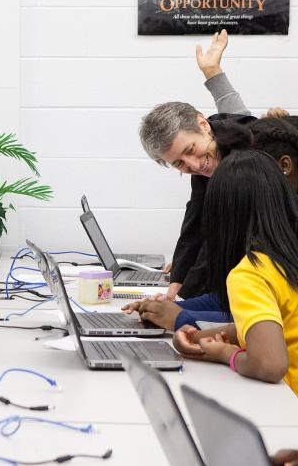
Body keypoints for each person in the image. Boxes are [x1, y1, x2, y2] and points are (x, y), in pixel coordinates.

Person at [124, 118, 298, 330]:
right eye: (179, 163)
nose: (195, 166)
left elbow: (262, 328)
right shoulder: (262, 258)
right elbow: (229, 302)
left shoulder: (264, 263)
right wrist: (167, 308)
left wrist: (181, 318)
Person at [138, 29, 255, 300]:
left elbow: (217, 237)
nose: (193, 165)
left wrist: (181, 300)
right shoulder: (211, 149)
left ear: (204, 125)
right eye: (179, 163)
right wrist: (177, 278)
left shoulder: (244, 158)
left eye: (190, 150)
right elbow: (195, 222)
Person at [171, 150, 298, 396]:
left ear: (221, 218)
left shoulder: (250, 273)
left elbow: (270, 363)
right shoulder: (288, 256)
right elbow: (276, 326)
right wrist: (197, 338)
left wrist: (223, 353)